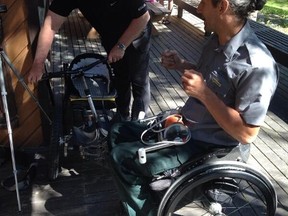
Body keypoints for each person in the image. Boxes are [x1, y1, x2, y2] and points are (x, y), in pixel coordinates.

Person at [108, 0, 279, 215]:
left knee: (121, 157)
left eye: (204, 2)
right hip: (186, 128)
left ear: (222, 6)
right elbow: (210, 77)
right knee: (118, 131)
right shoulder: (217, 39)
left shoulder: (256, 64)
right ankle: (138, 197)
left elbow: (247, 133)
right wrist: (181, 64)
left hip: (207, 146)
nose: (198, 9)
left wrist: (203, 93)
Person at [28, 0, 152, 121]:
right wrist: (38, 63)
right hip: (111, 37)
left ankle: (140, 124)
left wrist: (121, 45)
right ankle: (122, 117)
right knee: (120, 76)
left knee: (138, 79)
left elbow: (143, 18)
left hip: (136, 33)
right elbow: (50, 25)